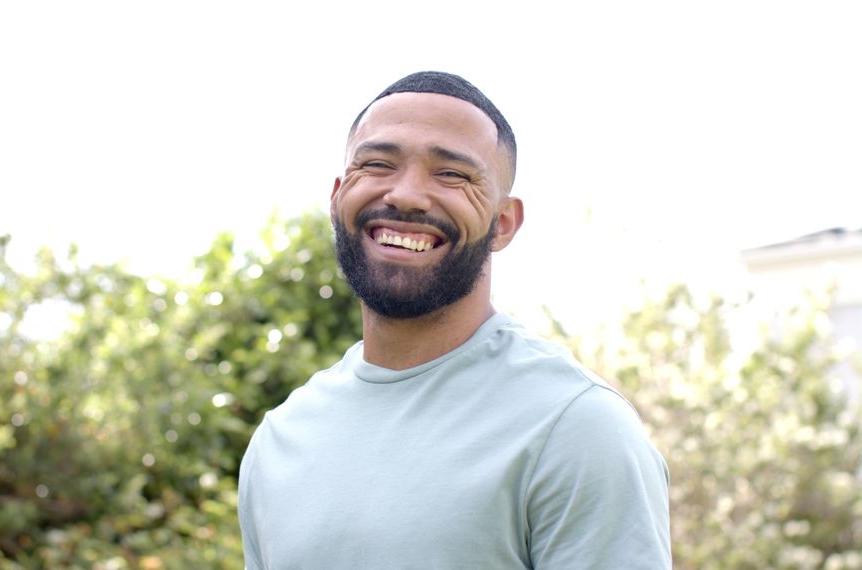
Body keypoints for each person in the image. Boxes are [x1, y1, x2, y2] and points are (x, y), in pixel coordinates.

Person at [237, 71, 671, 569]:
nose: (406, 195)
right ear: (337, 197)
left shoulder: (574, 426)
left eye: (452, 174)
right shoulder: (282, 436)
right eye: (377, 164)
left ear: (503, 223)